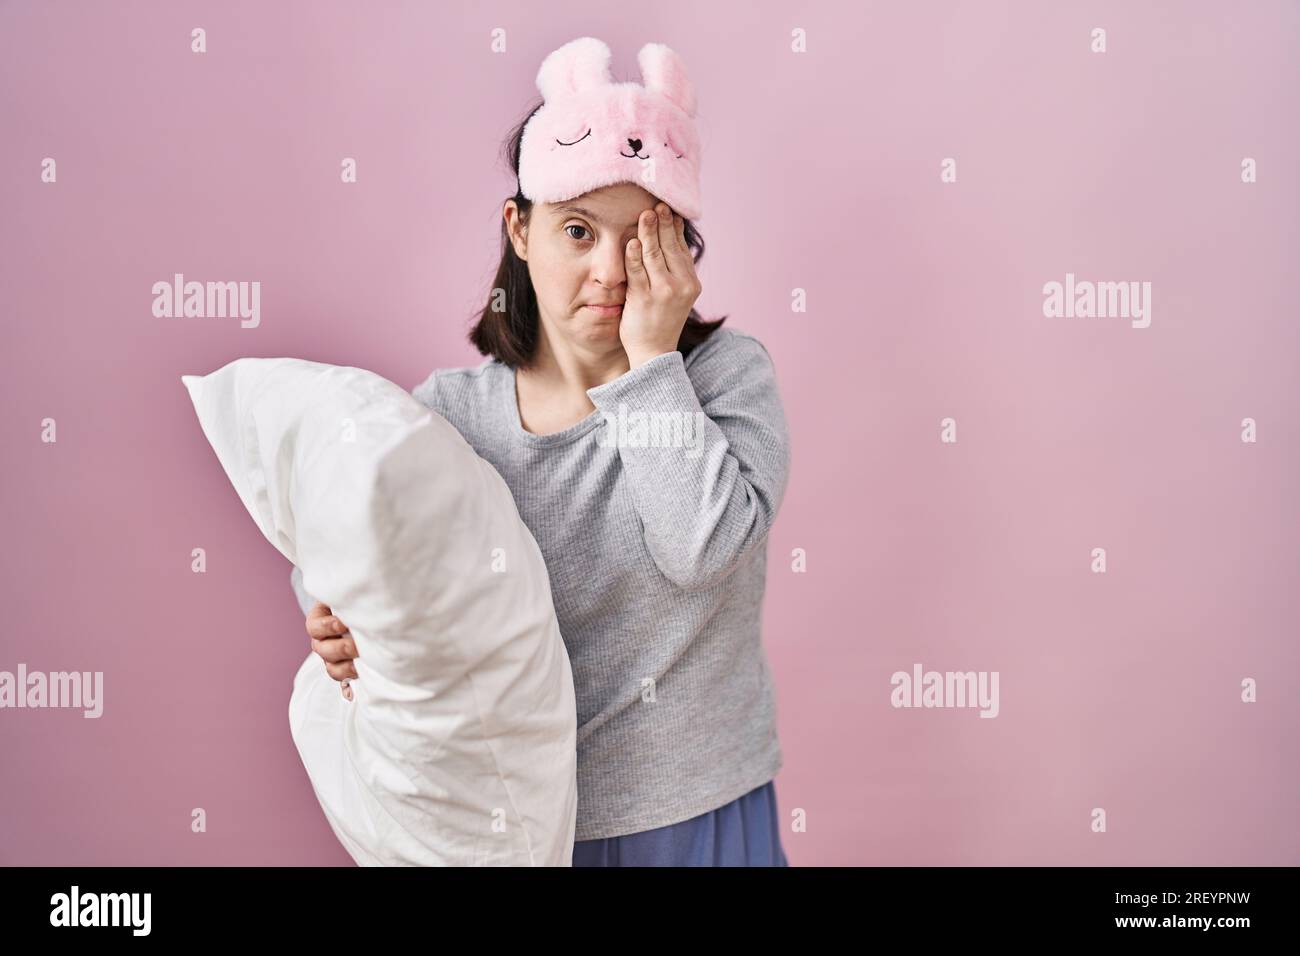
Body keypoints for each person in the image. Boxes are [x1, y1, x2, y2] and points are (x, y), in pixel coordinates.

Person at [295, 36, 791, 866]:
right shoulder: (451, 414)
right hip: (524, 824)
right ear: (518, 231)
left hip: (697, 810)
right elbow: (352, 540)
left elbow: (700, 549)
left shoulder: (725, 380)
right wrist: (330, 613)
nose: (609, 271)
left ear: (682, 250)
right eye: (577, 231)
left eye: (642, 238)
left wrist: (652, 365)